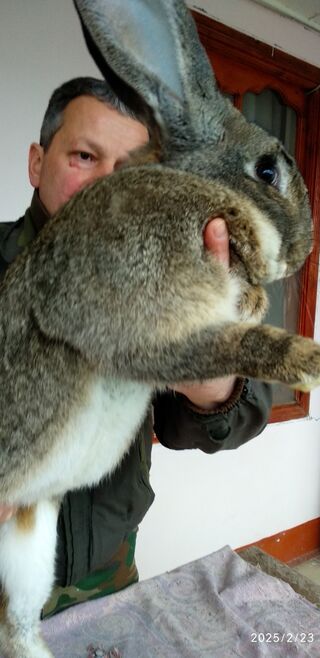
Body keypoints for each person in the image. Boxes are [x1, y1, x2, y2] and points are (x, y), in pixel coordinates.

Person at [0, 77, 272, 617]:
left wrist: (209, 371)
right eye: (84, 156)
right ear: (37, 163)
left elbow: (231, 420)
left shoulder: (166, 281)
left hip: (112, 584)